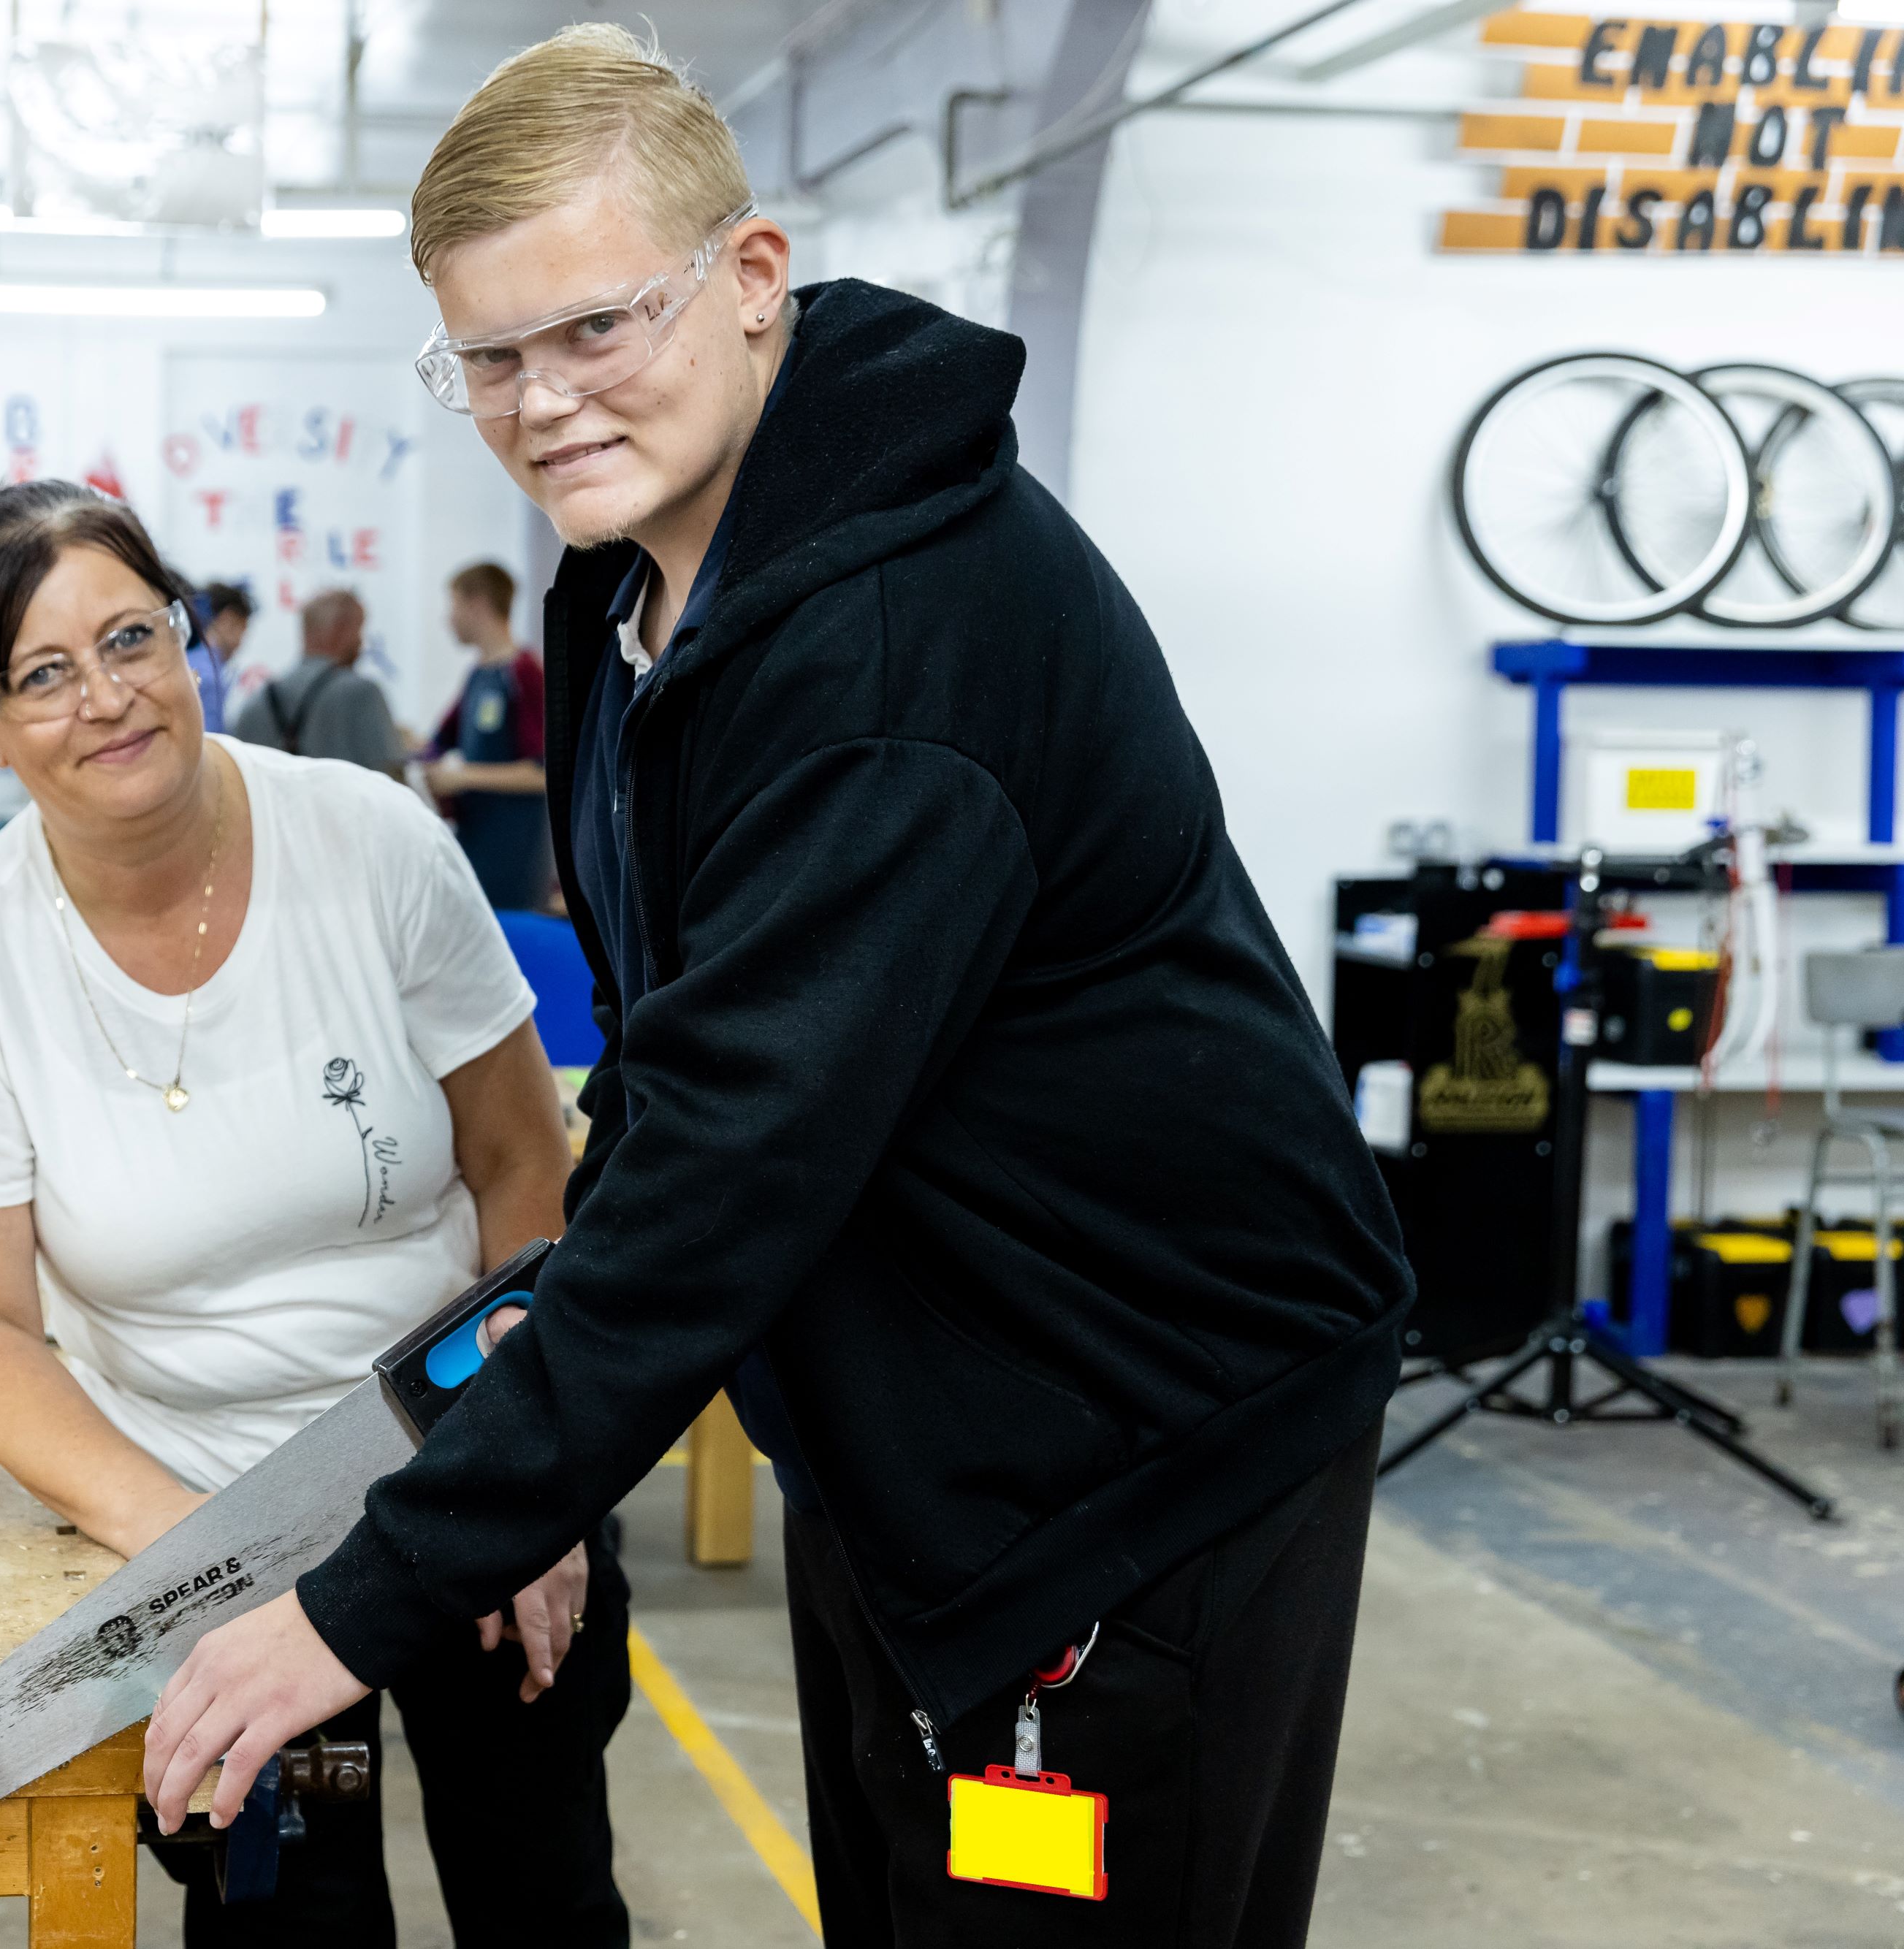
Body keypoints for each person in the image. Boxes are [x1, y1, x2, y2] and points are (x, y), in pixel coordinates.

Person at [145, 27, 1414, 1948]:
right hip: (917, 1417)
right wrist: (516, 1430)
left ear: (752, 282)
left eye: (593, 329)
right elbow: (670, 1067)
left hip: (1132, 1444)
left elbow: (729, 1180)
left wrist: (360, 1598)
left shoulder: (898, 657)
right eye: (488, 357)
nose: (543, 400)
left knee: (1041, 1905)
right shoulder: (641, 587)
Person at [0, 480, 631, 1948]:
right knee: (284, 1921)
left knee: (545, 1891)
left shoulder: (368, 839)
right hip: (187, 1488)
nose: (109, 696)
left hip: (462, 1446)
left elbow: (524, 1164)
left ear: (190, 639)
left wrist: (535, 1473)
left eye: (132, 636)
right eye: (43, 673)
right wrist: (200, 1561)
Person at [423, 561, 552, 910]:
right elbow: (436, 745)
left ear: (476, 603)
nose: (448, 619)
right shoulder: (478, 675)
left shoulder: (524, 673)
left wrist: (465, 776)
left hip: (514, 855)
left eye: (453, 606)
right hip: (474, 841)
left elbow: (543, 773)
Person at [232, 589, 403, 777]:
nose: (361, 643)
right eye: (359, 631)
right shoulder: (363, 694)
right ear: (341, 630)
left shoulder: (256, 705)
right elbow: (392, 777)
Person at [191, 580, 253, 733]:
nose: (241, 642)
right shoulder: (207, 674)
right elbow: (210, 741)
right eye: (242, 629)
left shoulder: (193, 660)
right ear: (227, 620)